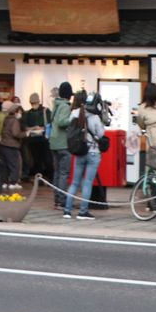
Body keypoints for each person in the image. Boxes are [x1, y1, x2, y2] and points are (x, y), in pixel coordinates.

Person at [63, 91, 106, 220]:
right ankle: (83, 211)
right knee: (87, 183)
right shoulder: (95, 117)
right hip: (93, 152)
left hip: (79, 150)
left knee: (75, 182)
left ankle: (67, 210)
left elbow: (70, 129)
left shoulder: (75, 113)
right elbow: (101, 134)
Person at [48, 82, 74, 209]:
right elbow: (62, 122)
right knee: (64, 173)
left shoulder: (56, 105)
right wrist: (73, 120)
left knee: (57, 172)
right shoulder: (65, 106)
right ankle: (61, 200)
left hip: (54, 142)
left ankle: (56, 200)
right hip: (63, 143)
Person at [0, 99, 25, 188]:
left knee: (5, 165)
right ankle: (13, 182)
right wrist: (25, 134)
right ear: (16, 112)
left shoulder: (6, 119)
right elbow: (16, 133)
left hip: (3, 144)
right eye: (19, 112)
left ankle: (5, 182)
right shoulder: (15, 121)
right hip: (11, 145)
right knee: (15, 164)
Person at [22, 92, 50, 178]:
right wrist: (35, 128)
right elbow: (25, 126)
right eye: (32, 103)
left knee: (45, 159)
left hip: (41, 139)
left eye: (35, 103)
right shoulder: (28, 113)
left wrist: (38, 128)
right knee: (38, 159)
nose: (34, 105)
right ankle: (42, 177)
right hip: (35, 139)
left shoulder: (45, 111)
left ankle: (46, 176)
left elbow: (49, 124)